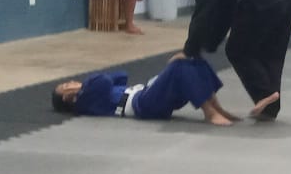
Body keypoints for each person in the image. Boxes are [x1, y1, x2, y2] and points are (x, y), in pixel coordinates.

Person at [176, 0, 291, 120]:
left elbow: (201, 18)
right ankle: (269, 107)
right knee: (272, 54)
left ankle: (265, 94)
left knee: (237, 51)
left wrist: (189, 51)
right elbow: (224, 20)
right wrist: (210, 45)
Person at [49, 54, 278, 126]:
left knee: (192, 59)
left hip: (147, 93)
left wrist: (84, 84)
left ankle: (217, 107)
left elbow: (121, 75)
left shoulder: (90, 92)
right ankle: (209, 113)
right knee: (178, 66)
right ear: (68, 98)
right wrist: (82, 87)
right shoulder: (85, 102)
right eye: (66, 86)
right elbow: (105, 82)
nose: (71, 82)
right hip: (142, 105)